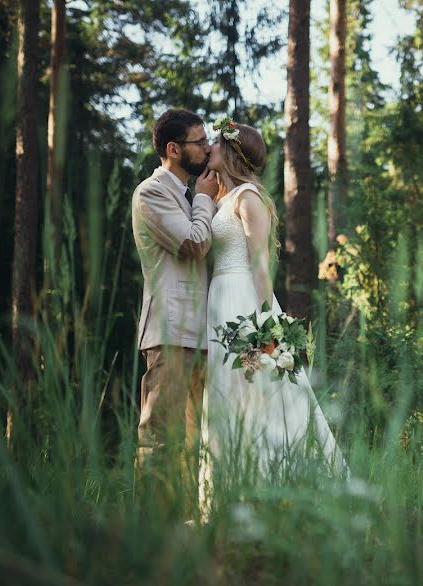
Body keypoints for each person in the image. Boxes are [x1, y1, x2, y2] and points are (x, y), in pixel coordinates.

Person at [199, 117, 347, 511]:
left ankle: (276, 490)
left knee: (259, 392)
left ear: (230, 152)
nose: (209, 147)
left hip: (244, 304)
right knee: (226, 397)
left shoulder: (249, 198)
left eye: (216, 142)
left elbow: (261, 264)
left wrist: (270, 323)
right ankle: (229, 496)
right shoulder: (221, 199)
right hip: (219, 301)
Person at [131, 108, 220, 516]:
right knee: (160, 437)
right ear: (173, 149)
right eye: (199, 142)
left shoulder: (187, 194)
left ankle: (184, 529)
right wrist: (204, 199)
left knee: (194, 441)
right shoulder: (150, 193)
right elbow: (193, 244)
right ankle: (150, 529)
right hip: (169, 331)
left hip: (202, 333)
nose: (206, 147)